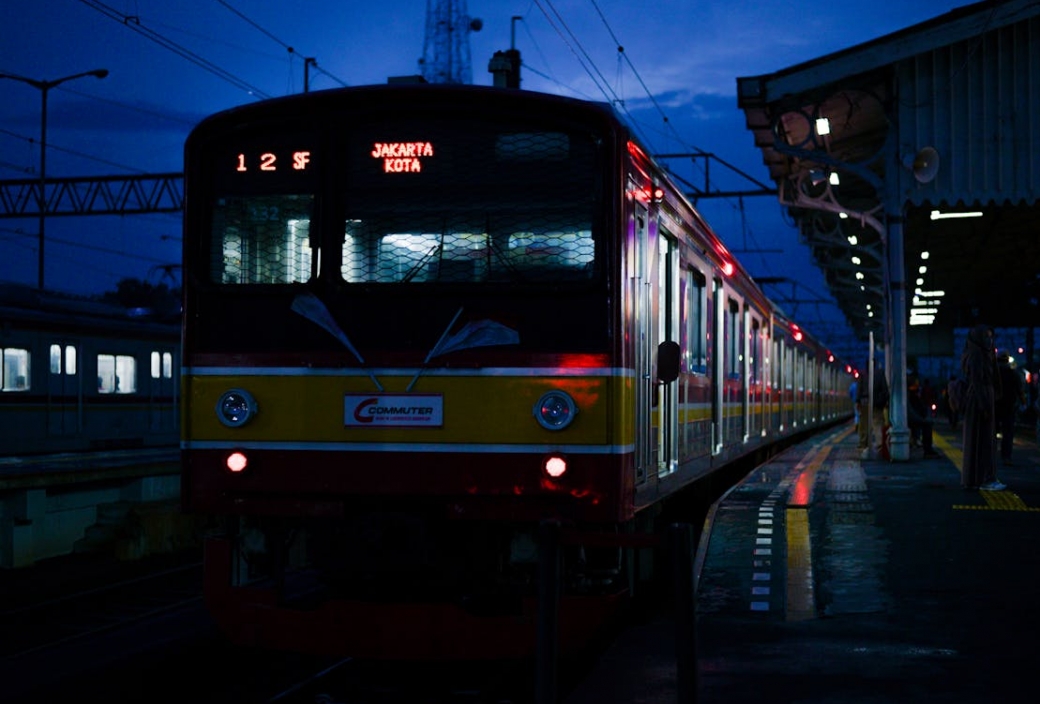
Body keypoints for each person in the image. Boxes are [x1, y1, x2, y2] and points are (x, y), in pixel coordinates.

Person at [960, 325, 1004, 490]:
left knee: (980, 439)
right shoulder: (977, 355)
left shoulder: (979, 353)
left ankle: (978, 478)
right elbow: (978, 381)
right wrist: (984, 404)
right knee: (983, 440)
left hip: (981, 398)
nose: (989, 340)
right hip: (980, 399)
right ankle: (985, 478)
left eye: (990, 336)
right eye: (986, 337)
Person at [995, 350, 1024, 466]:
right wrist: (1023, 402)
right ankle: (1006, 457)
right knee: (1008, 434)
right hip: (1009, 407)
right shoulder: (1013, 374)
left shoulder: (993, 373)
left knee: (991, 433)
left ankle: (990, 456)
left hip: (995, 407)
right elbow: (1020, 390)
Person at [907, 377, 940, 458]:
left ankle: (920, 444)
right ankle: (928, 450)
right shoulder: (911, 395)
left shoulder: (912, 394)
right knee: (927, 424)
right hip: (910, 418)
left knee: (927, 422)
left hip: (912, 416)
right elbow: (911, 412)